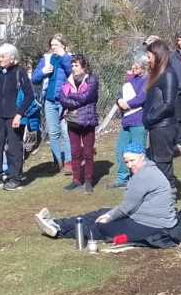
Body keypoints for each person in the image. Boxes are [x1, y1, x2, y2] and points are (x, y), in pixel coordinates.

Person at [34, 145, 178, 244]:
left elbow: (126, 207)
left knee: (102, 226)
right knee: (100, 212)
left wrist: (109, 216)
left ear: (142, 157)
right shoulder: (148, 169)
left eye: (132, 160)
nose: (129, 165)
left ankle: (58, 232)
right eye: (126, 162)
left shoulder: (144, 176)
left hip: (152, 225)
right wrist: (108, 214)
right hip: (143, 216)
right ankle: (58, 223)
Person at [0, 43, 35, 191]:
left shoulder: (20, 72)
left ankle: (15, 177)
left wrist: (19, 114)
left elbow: (30, 96)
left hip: (14, 116)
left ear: (12, 57)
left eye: (3, 56)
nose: (0, 59)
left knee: (14, 147)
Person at [31, 34, 74, 175]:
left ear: (63, 45)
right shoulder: (47, 59)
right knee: (53, 132)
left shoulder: (70, 58)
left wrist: (64, 57)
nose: (53, 47)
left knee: (66, 132)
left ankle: (69, 162)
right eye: (52, 45)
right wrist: (43, 72)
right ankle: (57, 161)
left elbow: (72, 74)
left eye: (56, 44)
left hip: (65, 100)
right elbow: (34, 79)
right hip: (49, 101)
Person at [143, 39, 181, 193]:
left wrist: (151, 117)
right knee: (157, 164)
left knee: (163, 165)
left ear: (158, 55)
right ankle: (159, 200)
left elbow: (168, 104)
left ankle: (169, 201)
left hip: (164, 128)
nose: (148, 59)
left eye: (149, 56)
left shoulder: (169, 74)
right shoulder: (157, 74)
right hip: (156, 128)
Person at [59, 55, 100, 193]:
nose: (73, 68)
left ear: (84, 66)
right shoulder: (68, 80)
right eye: (72, 65)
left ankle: (88, 180)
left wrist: (71, 96)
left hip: (87, 120)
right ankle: (76, 180)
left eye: (76, 65)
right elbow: (62, 98)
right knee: (75, 152)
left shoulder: (92, 79)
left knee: (88, 152)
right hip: (72, 121)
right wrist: (76, 101)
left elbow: (87, 97)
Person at [110, 53, 148, 189]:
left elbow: (142, 97)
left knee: (138, 151)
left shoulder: (148, 80)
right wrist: (119, 100)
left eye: (137, 64)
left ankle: (138, 179)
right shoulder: (130, 79)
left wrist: (129, 104)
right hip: (126, 120)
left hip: (138, 120)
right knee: (122, 149)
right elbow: (121, 93)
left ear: (144, 66)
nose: (133, 67)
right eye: (133, 64)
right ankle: (122, 177)